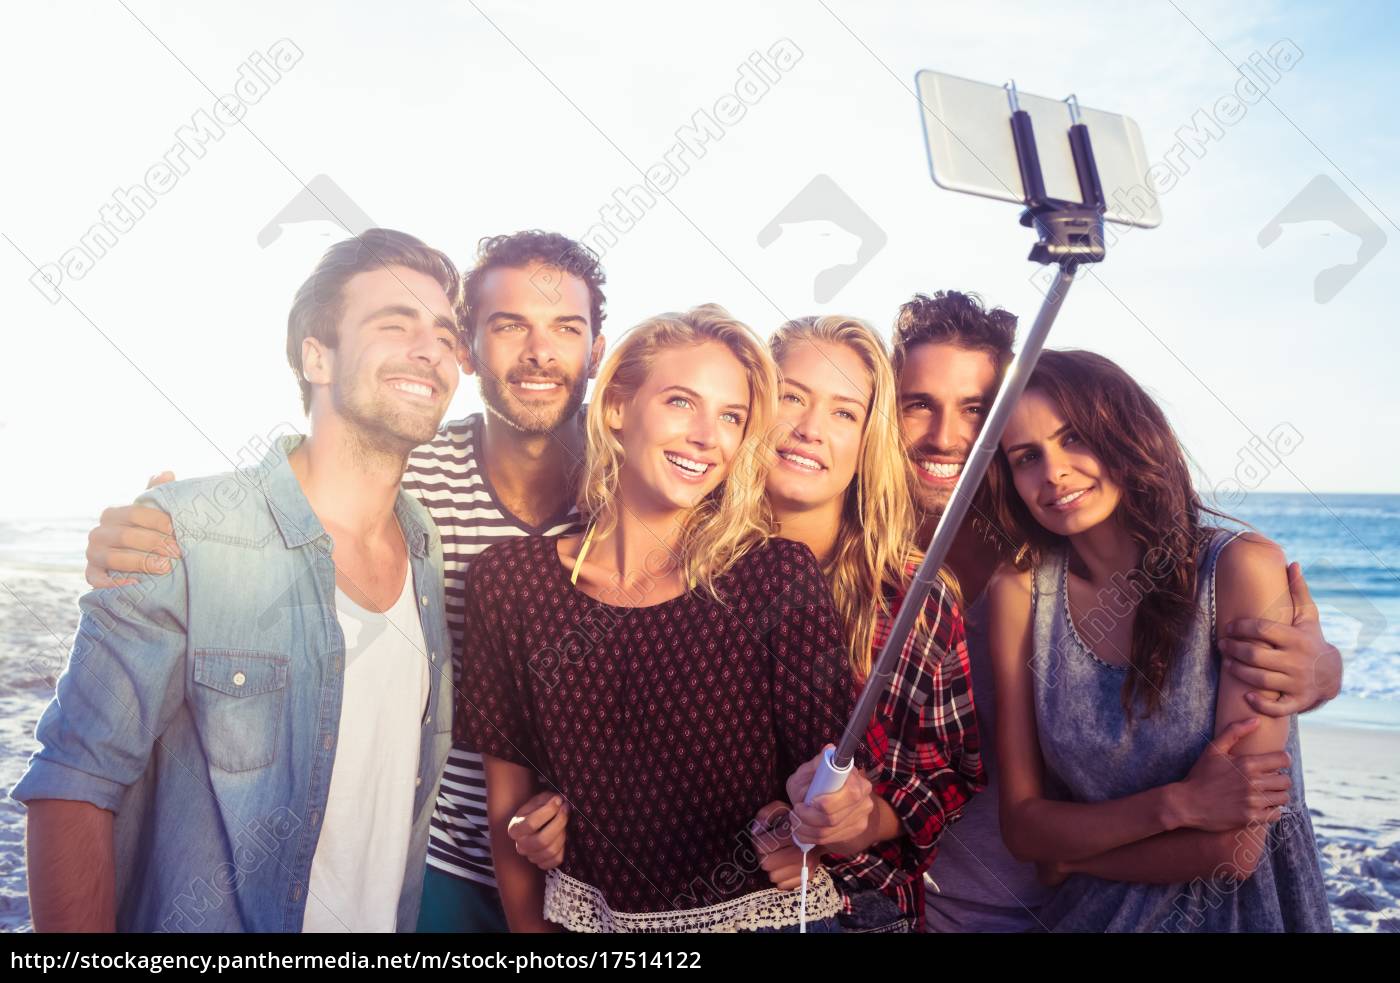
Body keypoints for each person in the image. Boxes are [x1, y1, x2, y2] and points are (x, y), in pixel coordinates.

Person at [76, 230, 608, 932]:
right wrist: (157, 532)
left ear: (597, 349)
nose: (540, 352)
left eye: (566, 329)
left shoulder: (644, 488)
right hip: (434, 868)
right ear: (468, 350)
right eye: (510, 326)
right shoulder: (405, 476)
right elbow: (290, 502)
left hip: (600, 870)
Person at [13, 229, 461, 932]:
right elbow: (73, 785)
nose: (430, 349)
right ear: (317, 354)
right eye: (395, 324)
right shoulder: (187, 530)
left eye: (443, 333)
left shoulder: (425, 546)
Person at [895, 292, 1346, 932]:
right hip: (1046, 912)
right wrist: (1178, 805)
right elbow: (1027, 830)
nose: (1054, 473)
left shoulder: (1238, 569)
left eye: (1073, 437)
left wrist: (1326, 670)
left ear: (1123, 430)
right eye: (1026, 456)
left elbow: (1234, 849)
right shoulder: (1017, 589)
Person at [459, 304, 860, 933]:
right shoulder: (509, 583)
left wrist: (823, 820)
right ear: (617, 407)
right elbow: (507, 805)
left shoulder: (773, 576)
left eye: (732, 416)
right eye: (681, 402)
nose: (708, 436)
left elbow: (836, 788)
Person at [748, 315, 983, 932]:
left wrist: (864, 820)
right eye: (791, 396)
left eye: (844, 413)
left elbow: (952, 774)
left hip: (859, 910)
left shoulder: (913, 595)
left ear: (867, 440)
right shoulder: (678, 564)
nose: (808, 429)